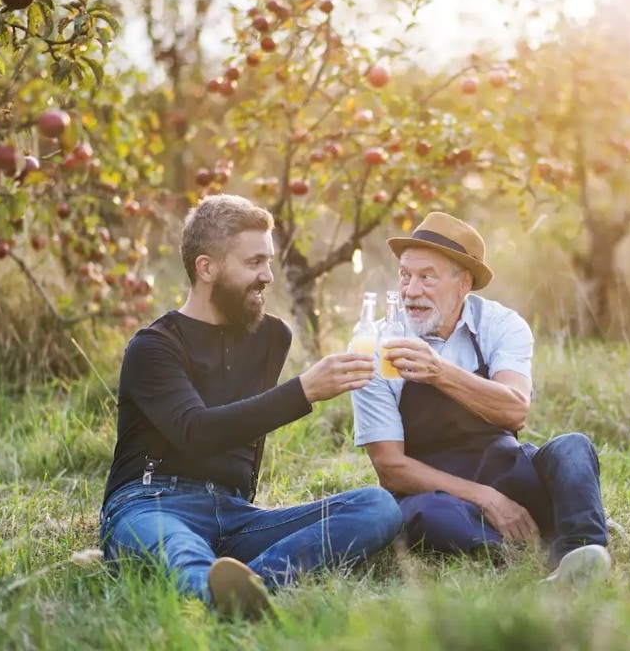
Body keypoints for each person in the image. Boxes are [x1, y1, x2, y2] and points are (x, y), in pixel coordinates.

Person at [98, 193, 402, 620]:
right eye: (254, 262)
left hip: (237, 514)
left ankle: (249, 583)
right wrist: (304, 391)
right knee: (181, 549)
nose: (267, 276)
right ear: (206, 268)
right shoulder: (153, 347)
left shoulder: (270, 338)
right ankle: (216, 594)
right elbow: (197, 432)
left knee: (377, 506)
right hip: (152, 504)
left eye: (269, 261)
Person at [350, 211, 611, 586]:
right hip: (436, 491)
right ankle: (536, 540)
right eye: (405, 275)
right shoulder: (375, 346)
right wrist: (485, 498)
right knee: (432, 517)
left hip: (506, 469)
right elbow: (390, 467)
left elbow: (514, 410)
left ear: (464, 283)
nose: (411, 290)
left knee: (573, 448)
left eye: (427, 277)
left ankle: (580, 553)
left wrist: (439, 372)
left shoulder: (500, 325)